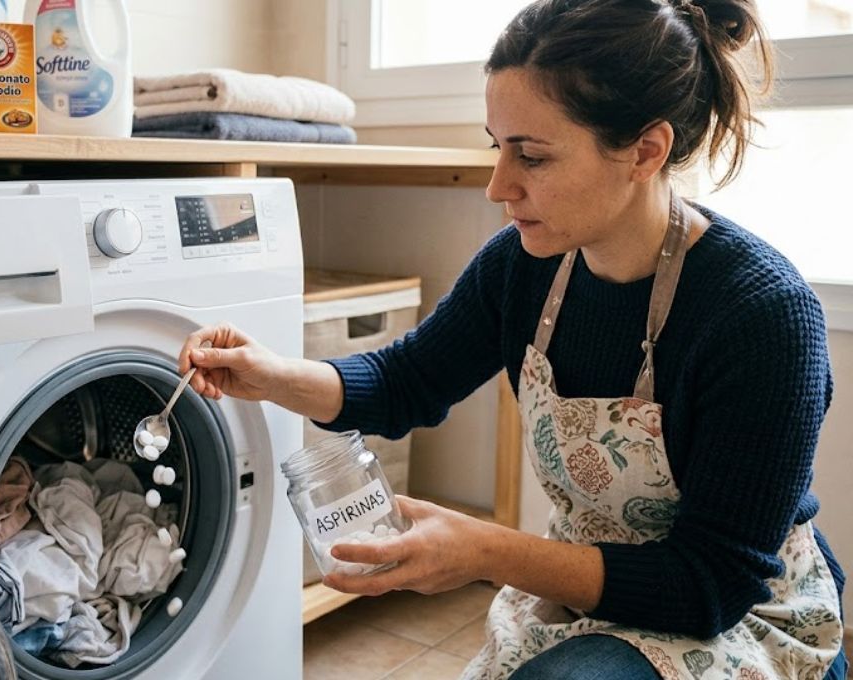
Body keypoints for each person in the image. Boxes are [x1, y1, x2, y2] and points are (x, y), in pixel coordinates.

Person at [176, 0, 847, 678]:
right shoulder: (522, 266)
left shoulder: (762, 315)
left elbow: (711, 584)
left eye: (532, 156)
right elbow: (408, 381)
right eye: (498, 147)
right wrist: (270, 374)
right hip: (585, 585)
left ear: (646, 150)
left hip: (739, 617)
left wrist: (483, 549)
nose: (500, 185)